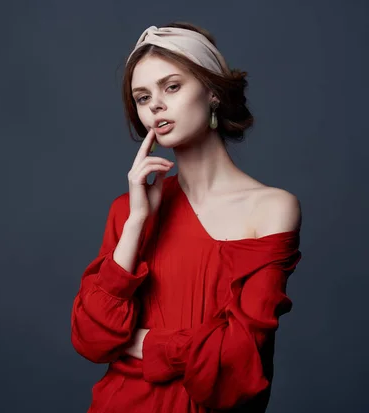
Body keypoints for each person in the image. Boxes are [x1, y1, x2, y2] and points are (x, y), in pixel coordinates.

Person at [70, 22, 303, 412]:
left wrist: (140, 343)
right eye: (142, 97)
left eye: (172, 87)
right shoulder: (129, 211)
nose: (155, 105)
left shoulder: (273, 208)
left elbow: (236, 366)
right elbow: (92, 338)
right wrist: (136, 224)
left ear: (212, 92)